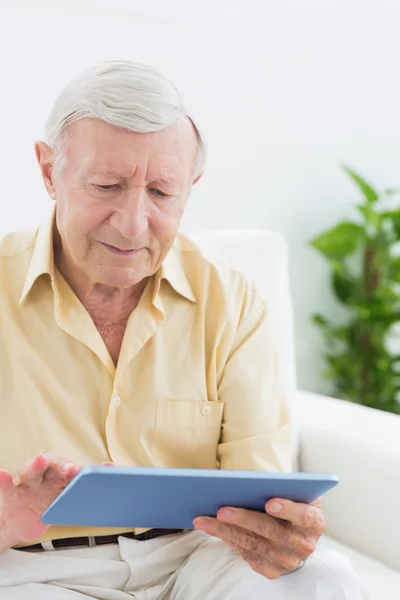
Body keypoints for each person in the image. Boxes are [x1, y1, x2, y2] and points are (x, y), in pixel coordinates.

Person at [0, 61, 368, 599]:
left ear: (191, 188)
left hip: (196, 555)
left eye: (162, 193)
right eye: (107, 185)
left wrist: (281, 535)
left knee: (325, 582)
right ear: (48, 170)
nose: (132, 222)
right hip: (35, 569)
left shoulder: (233, 299)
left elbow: (259, 497)